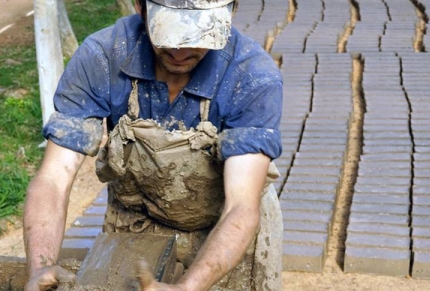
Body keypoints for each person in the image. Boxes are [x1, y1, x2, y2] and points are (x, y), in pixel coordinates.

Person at [23, 0, 283, 290]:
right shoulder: (102, 57)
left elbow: (240, 206)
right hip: (136, 216)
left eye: (197, 36)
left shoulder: (251, 77)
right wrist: (40, 267)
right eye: (168, 35)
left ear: (230, 11)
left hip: (225, 227)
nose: (180, 52)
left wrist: (186, 288)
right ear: (140, 6)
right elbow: (54, 179)